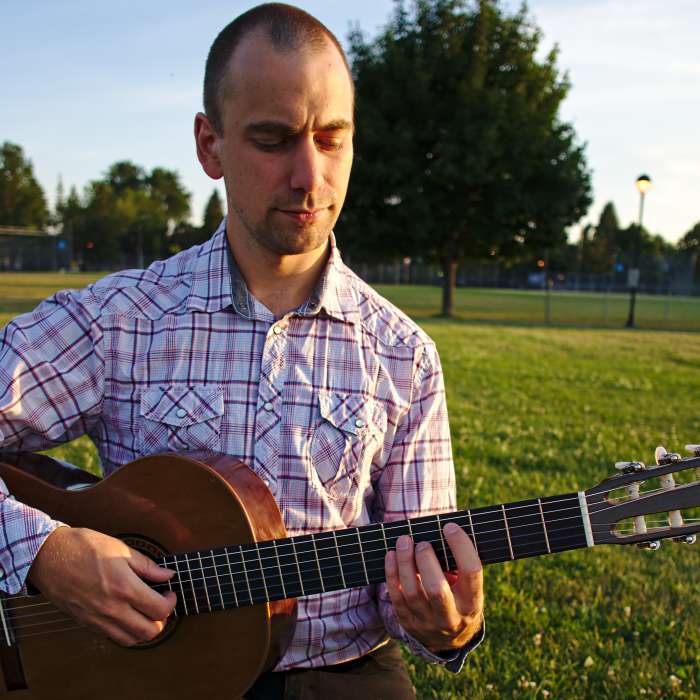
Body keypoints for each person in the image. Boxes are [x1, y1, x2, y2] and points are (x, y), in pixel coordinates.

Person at [0, 4, 484, 697]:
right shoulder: (120, 320)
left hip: (339, 673)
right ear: (210, 146)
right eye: (273, 139)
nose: (309, 176)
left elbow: (412, 598)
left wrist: (445, 624)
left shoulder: (403, 355)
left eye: (332, 137)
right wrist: (45, 553)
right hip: (145, 670)